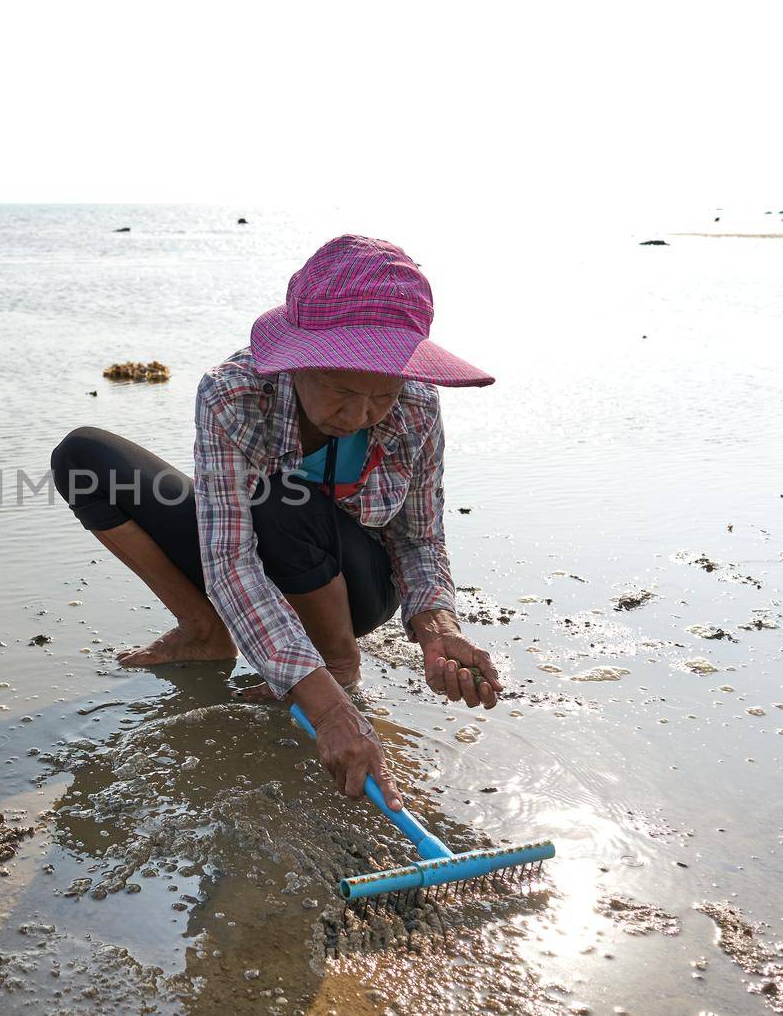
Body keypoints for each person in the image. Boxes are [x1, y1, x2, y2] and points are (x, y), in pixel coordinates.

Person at [51, 235, 502, 811]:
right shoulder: (233, 395)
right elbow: (230, 560)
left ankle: (338, 665)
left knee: (284, 498)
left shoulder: (414, 405)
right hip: (258, 557)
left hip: (355, 583)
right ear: (297, 363)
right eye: (341, 389)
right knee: (85, 458)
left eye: (380, 396)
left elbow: (418, 537)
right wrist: (324, 711)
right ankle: (205, 630)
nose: (359, 414)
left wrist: (438, 630)